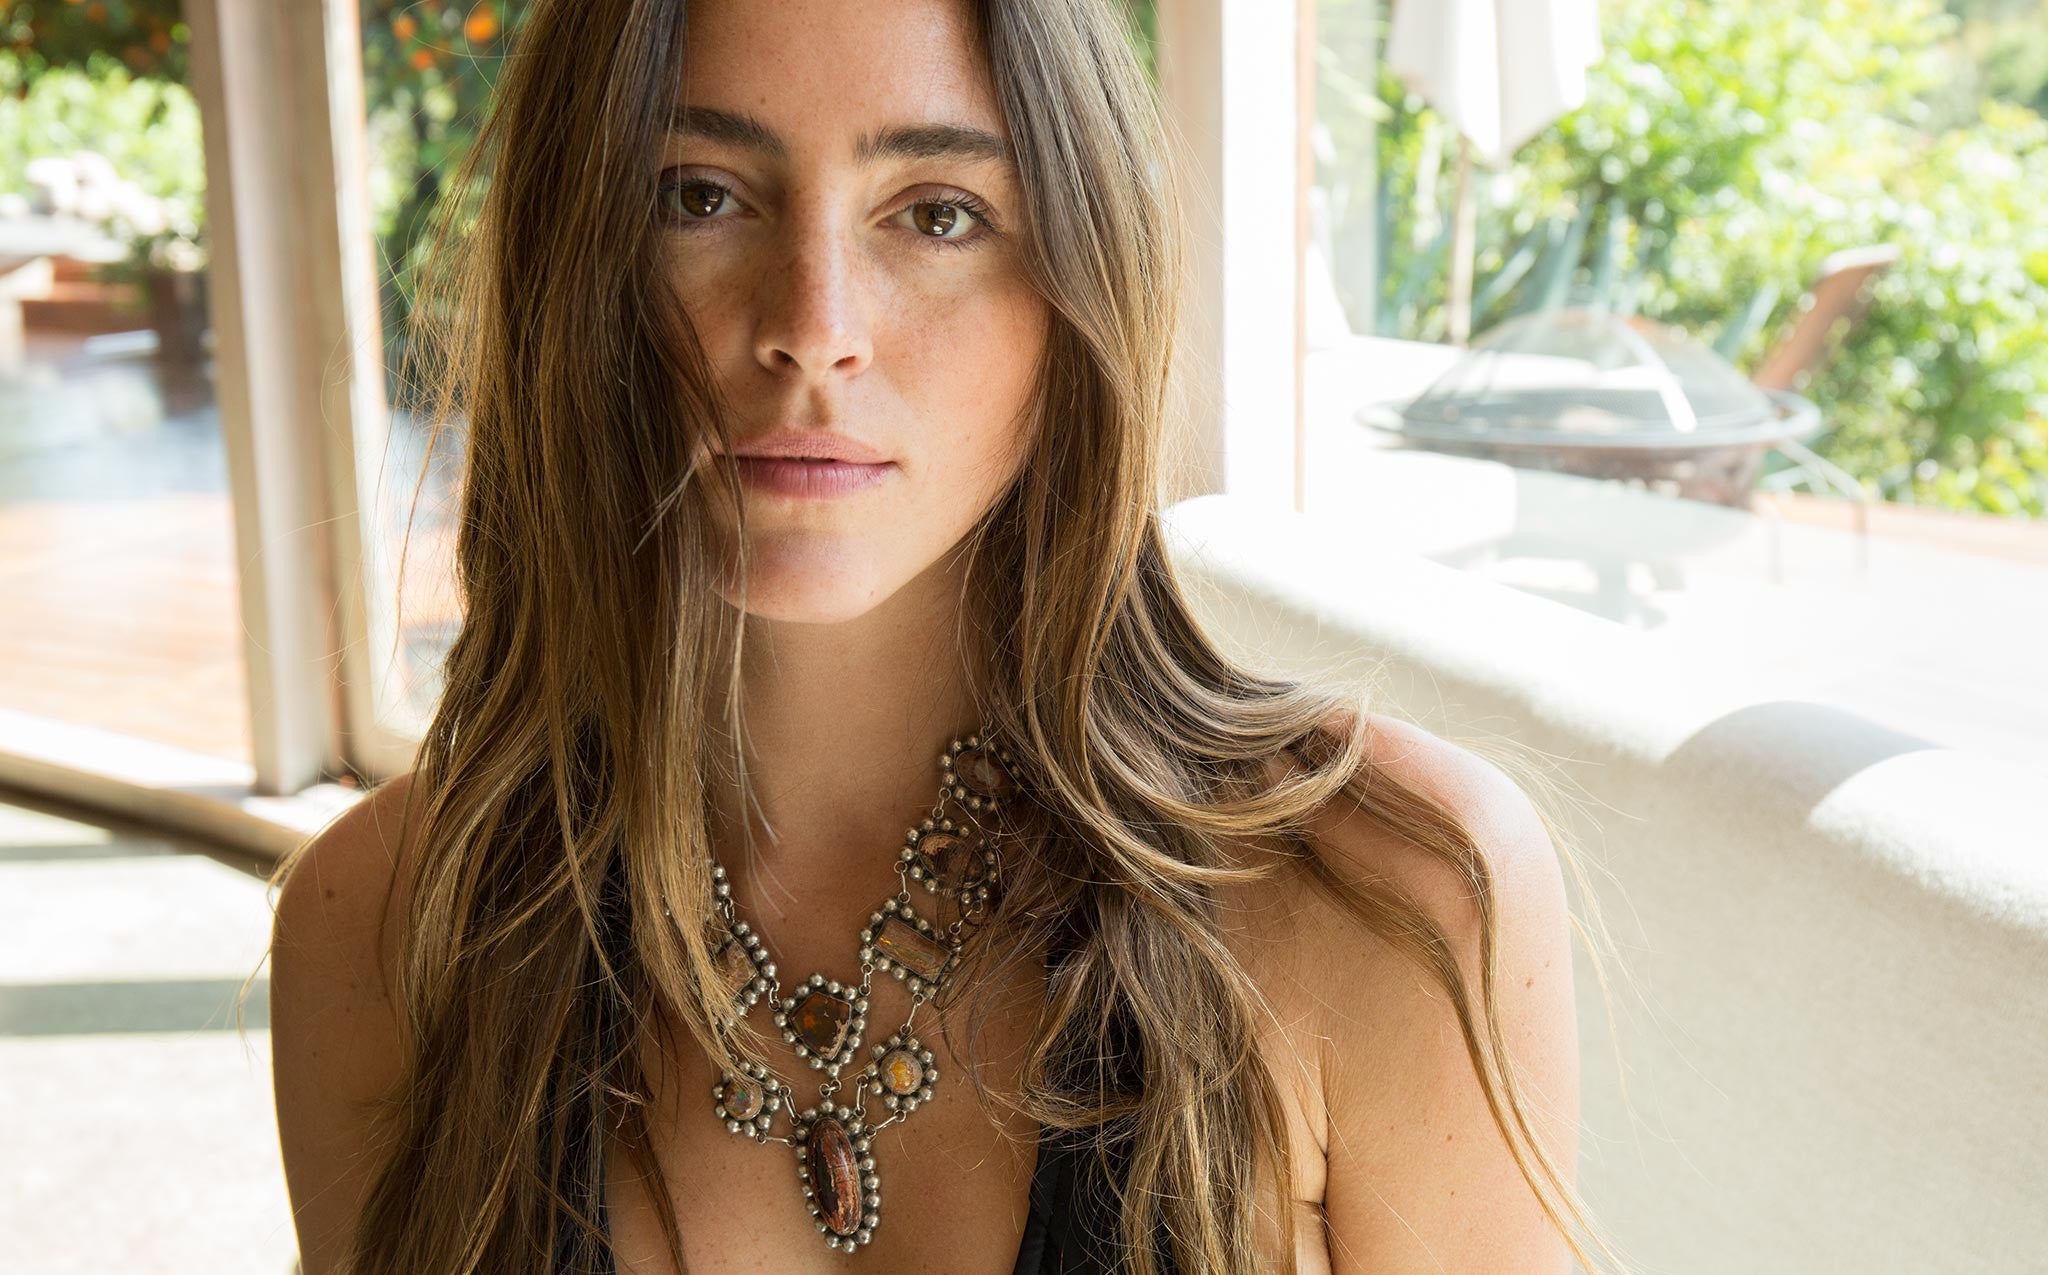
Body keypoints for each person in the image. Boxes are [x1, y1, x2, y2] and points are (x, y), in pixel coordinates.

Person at [266, 1, 1613, 1271]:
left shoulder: (1386, 898)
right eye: (700, 197)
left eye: (939, 214)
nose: (814, 330)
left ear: (1082, 286)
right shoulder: (382, 929)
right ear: (573, 264)